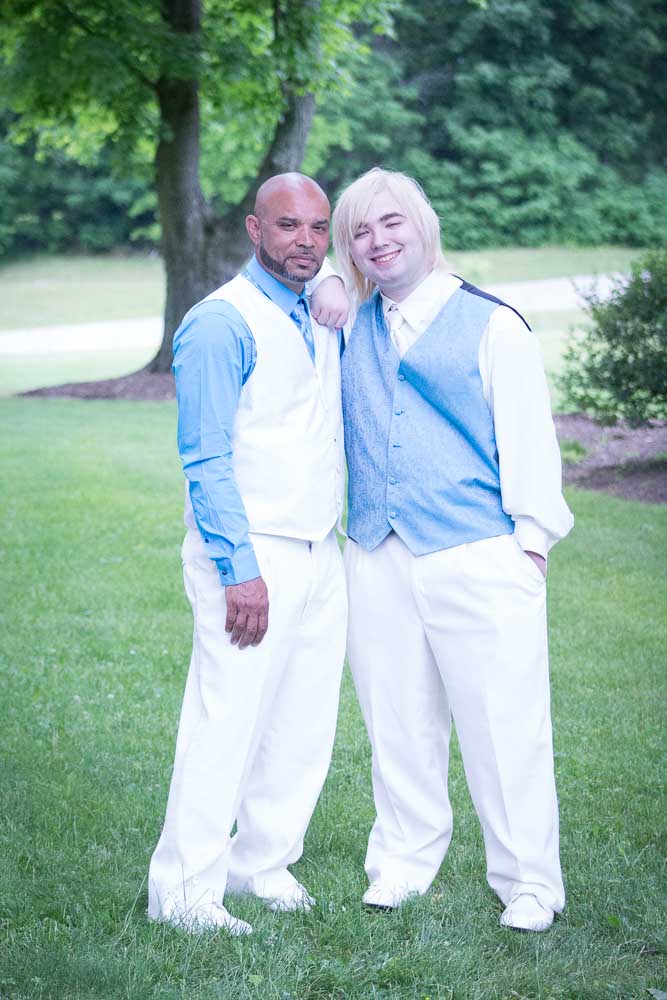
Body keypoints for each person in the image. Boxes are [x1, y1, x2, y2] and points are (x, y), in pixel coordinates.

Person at [332, 167, 574, 932]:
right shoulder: (347, 325)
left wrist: (529, 547)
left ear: (422, 226)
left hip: (479, 551)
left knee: (504, 727)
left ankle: (528, 883)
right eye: (360, 232)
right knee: (397, 723)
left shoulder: (491, 323)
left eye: (391, 223)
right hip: (377, 552)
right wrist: (326, 287)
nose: (378, 241)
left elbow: (528, 440)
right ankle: (401, 864)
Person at [148, 173, 349, 935]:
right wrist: (240, 570)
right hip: (251, 552)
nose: (306, 240)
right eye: (288, 225)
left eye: (318, 228)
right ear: (254, 229)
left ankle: (260, 863)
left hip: (318, 544)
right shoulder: (219, 323)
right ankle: (183, 895)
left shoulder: (313, 305)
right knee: (225, 721)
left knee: (302, 720)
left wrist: (331, 280)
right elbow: (205, 457)